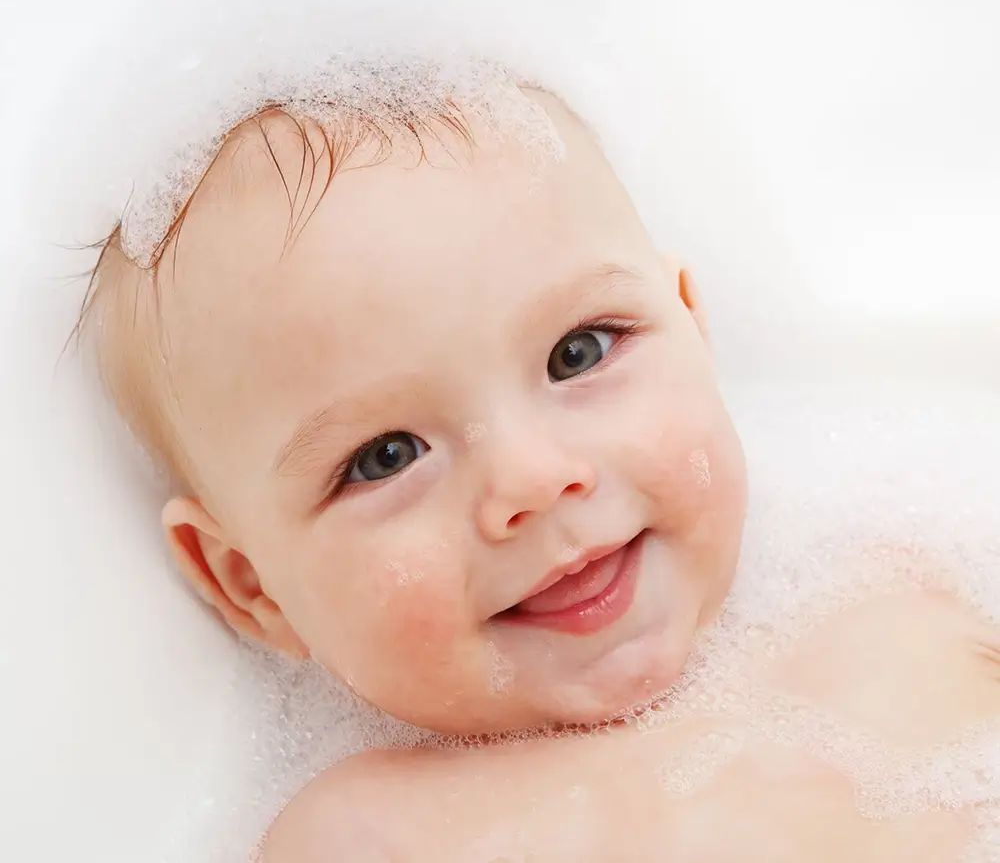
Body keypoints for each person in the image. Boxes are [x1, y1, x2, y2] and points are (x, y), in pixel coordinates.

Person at [74, 72, 1000, 861]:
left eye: (579, 353)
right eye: (386, 456)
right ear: (251, 588)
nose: (531, 480)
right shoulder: (373, 836)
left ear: (695, 332)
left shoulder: (906, 597)